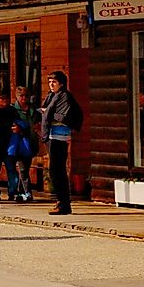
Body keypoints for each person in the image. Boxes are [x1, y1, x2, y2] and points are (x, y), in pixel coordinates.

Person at [41, 70, 82, 216]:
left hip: (60, 137)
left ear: (62, 83)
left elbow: (63, 116)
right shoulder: (52, 96)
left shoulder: (65, 96)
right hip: (52, 136)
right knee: (54, 171)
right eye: (50, 82)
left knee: (57, 170)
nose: (51, 84)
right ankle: (61, 201)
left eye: (54, 82)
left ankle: (63, 203)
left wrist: (47, 113)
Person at [0, 92, 35, 202]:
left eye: (6, 100)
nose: (4, 102)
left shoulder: (11, 110)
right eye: (1, 99)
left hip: (11, 145)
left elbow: (22, 124)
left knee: (12, 170)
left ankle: (13, 193)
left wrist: (19, 128)